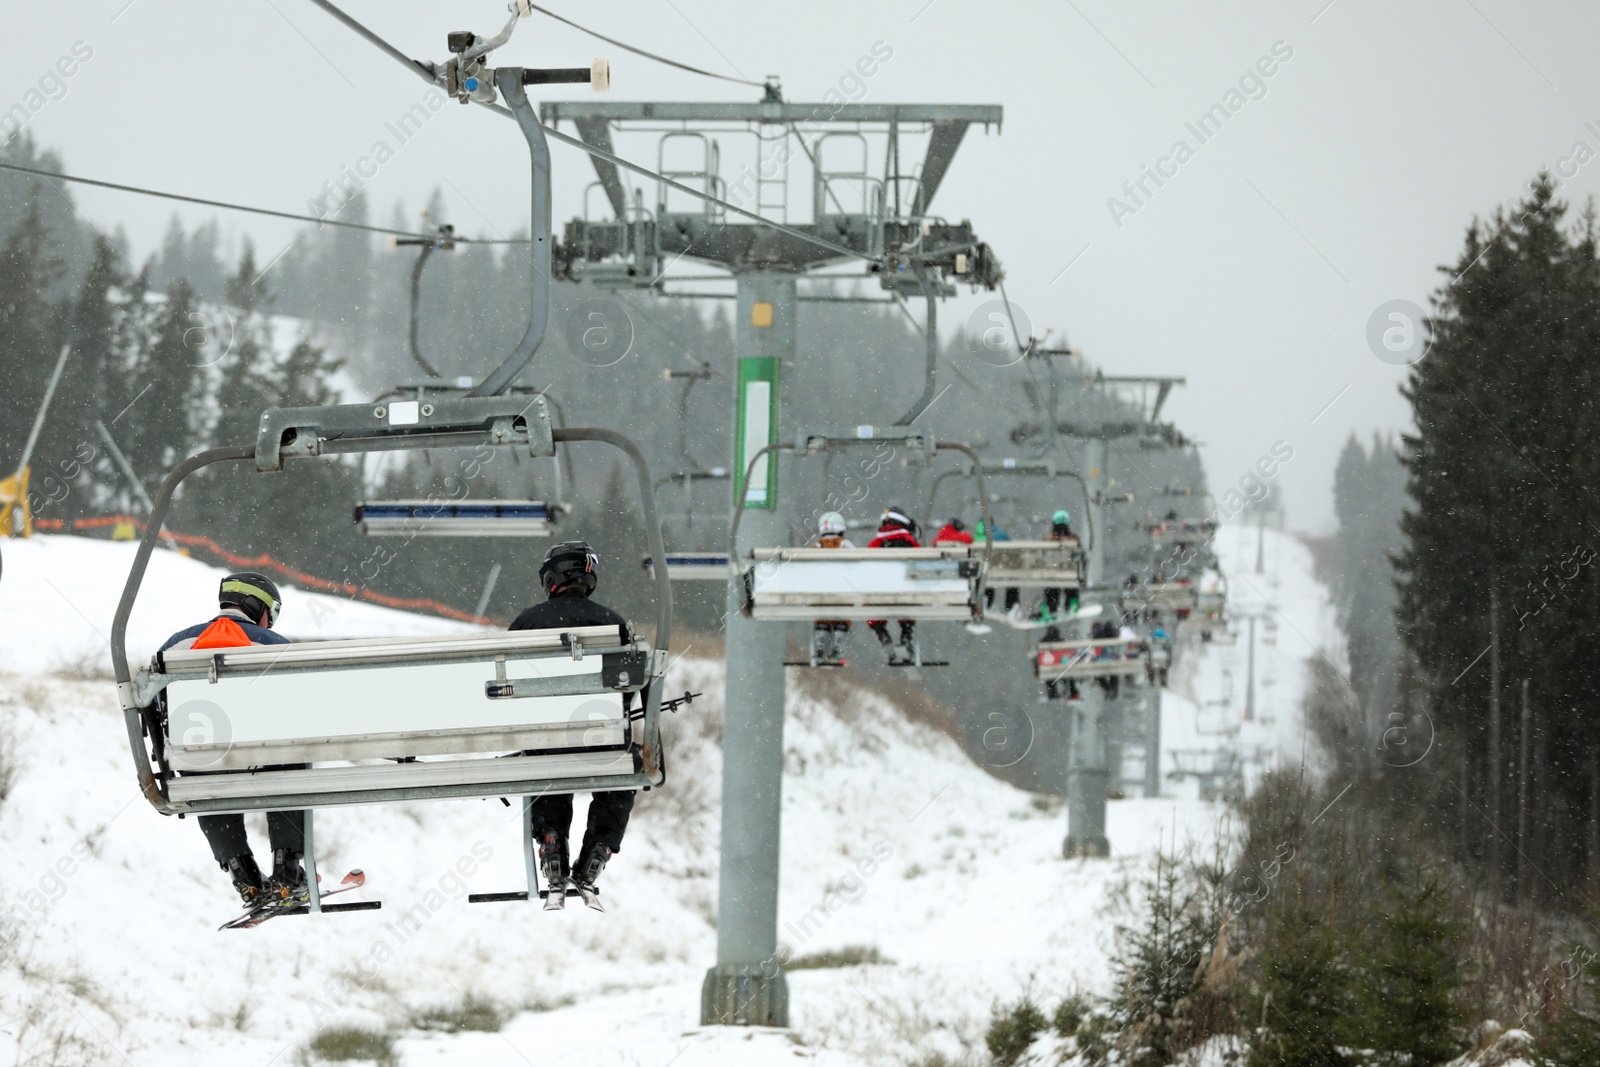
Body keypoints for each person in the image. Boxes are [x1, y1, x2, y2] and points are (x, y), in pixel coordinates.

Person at [159, 572, 305, 908]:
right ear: (259, 608)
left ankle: (245, 877)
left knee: (199, 766)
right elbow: (300, 702)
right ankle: (287, 873)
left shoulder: (176, 644)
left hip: (199, 763)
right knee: (291, 758)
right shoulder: (272, 645)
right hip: (262, 760)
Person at [510, 540, 635, 911]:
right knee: (620, 769)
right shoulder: (614, 623)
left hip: (546, 738)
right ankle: (599, 844)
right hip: (601, 738)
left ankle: (551, 837)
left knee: (545, 760)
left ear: (552, 578)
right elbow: (629, 689)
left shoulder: (527, 623)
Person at [866, 506, 921, 663]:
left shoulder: (875, 544)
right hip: (905, 594)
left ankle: (882, 635)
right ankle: (906, 636)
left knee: (871, 601)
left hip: (879, 595)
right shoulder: (910, 543)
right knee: (910, 599)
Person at [811, 511, 854, 664]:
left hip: (821, 594)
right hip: (842, 592)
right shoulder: (844, 545)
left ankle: (820, 648)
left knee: (822, 619)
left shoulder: (816, 546)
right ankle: (837, 650)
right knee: (842, 620)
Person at [1041, 509, 1082, 619]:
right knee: (1071, 582)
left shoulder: (1047, 539)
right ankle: (1072, 602)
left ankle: (1050, 607)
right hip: (1069, 575)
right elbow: (1080, 557)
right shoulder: (1074, 539)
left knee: (1052, 586)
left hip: (1052, 575)